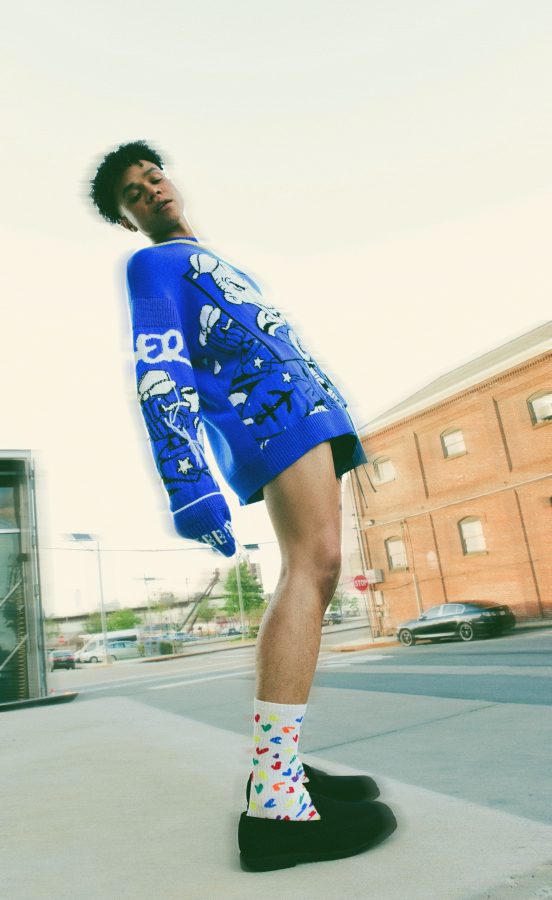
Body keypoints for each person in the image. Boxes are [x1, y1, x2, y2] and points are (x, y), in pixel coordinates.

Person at [89, 140, 396, 870]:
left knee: (317, 569)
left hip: (302, 412)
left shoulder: (210, 258)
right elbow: (158, 363)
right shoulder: (151, 264)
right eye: (134, 193)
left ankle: (279, 771)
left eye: (153, 176)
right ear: (127, 218)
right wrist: (186, 479)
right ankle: (276, 809)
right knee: (312, 566)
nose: (151, 190)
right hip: (268, 417)